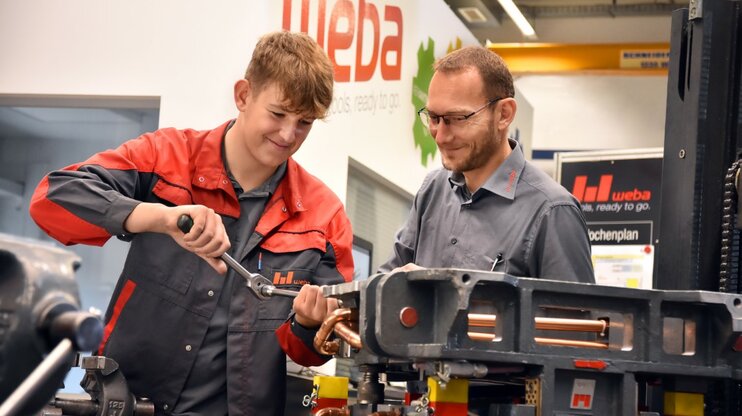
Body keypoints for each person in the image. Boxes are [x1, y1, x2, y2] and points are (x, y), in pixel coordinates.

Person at [29, 31, 353, 416]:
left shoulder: (323, 215)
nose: (288, 135)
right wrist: (160, 218)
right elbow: (51, 197)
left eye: (305, 123)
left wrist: (307, 323)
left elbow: (315, 349)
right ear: (244, 95)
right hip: (130, 404)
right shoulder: (165, 157)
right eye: (278, 114)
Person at [380, 46, 594, 283]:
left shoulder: (552, 211)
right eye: (434, 118)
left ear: (504, 114)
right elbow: (385, 282)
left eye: (457, 119)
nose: (440, 136)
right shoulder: (433, 190)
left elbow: (574, 317)